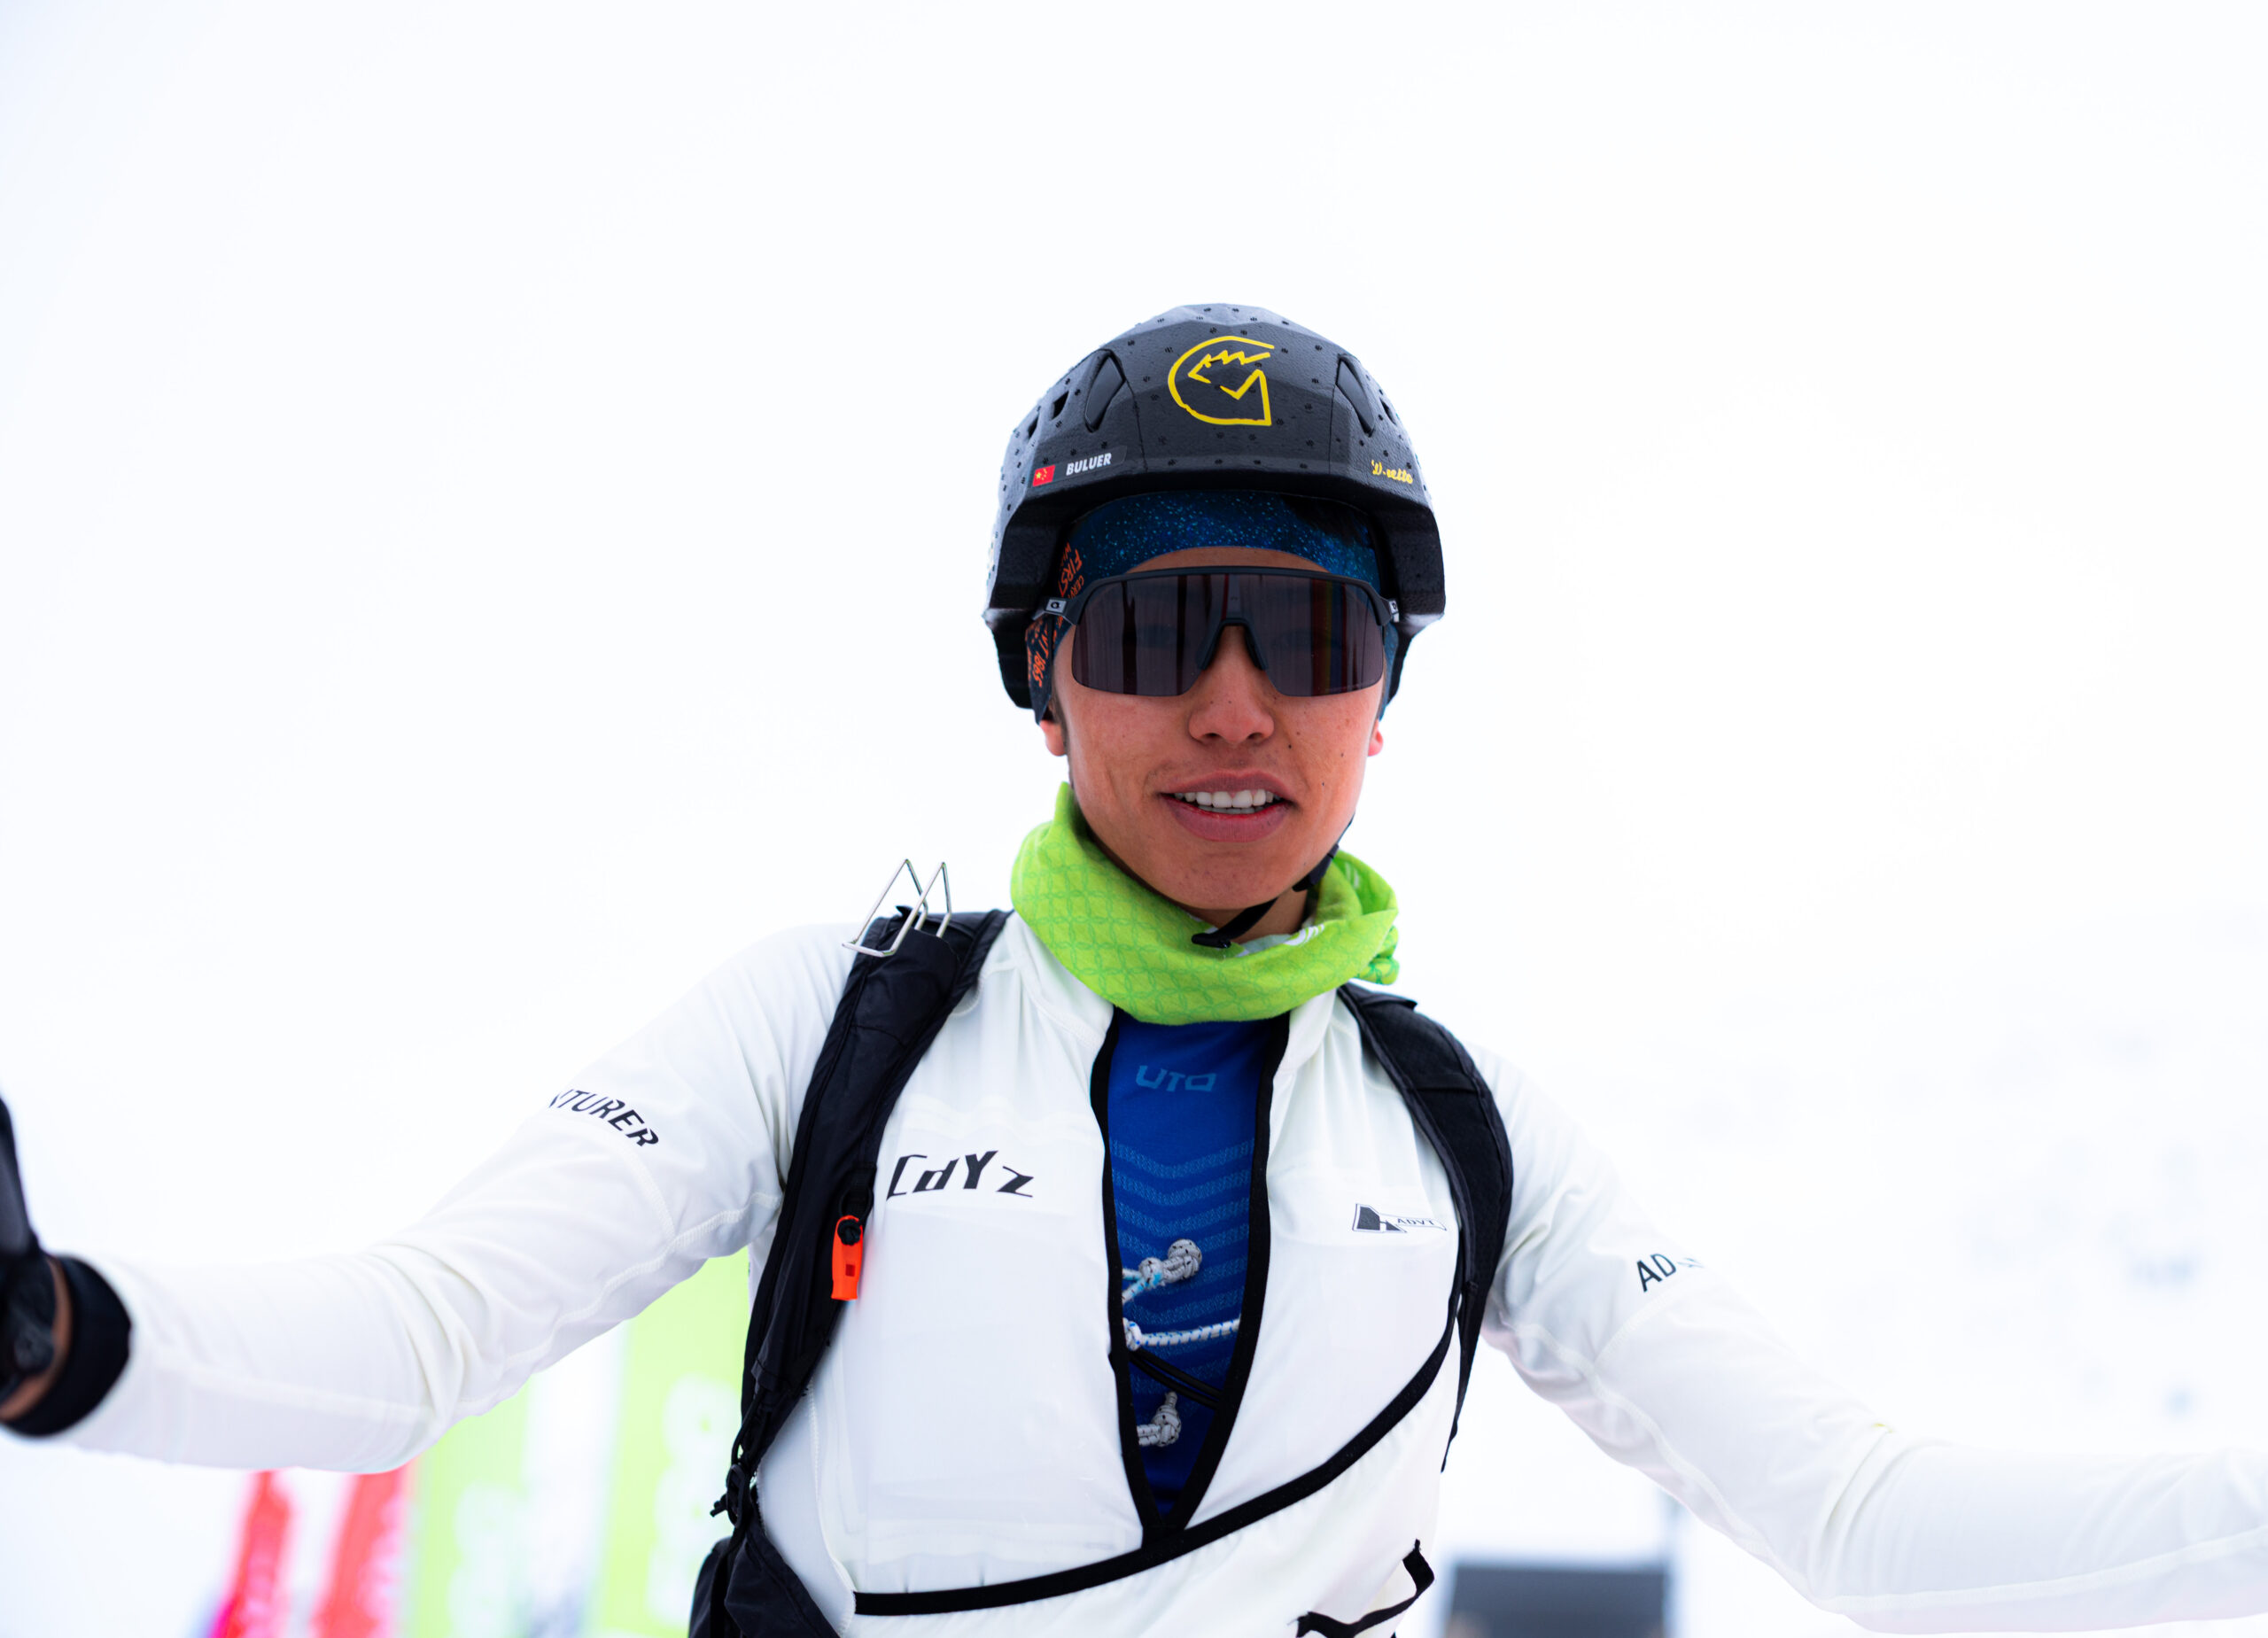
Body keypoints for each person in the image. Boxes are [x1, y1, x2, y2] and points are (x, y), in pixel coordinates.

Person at [5, 304, 2268, 1638]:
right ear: (1040, 670)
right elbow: (415, 1338)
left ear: (1381, 693)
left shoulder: (1461, 1131)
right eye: (1159, 624)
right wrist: (57, 1337)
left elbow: (1855, 1516)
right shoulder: (837, 1025)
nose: (1230, 701)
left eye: (1304, 631)